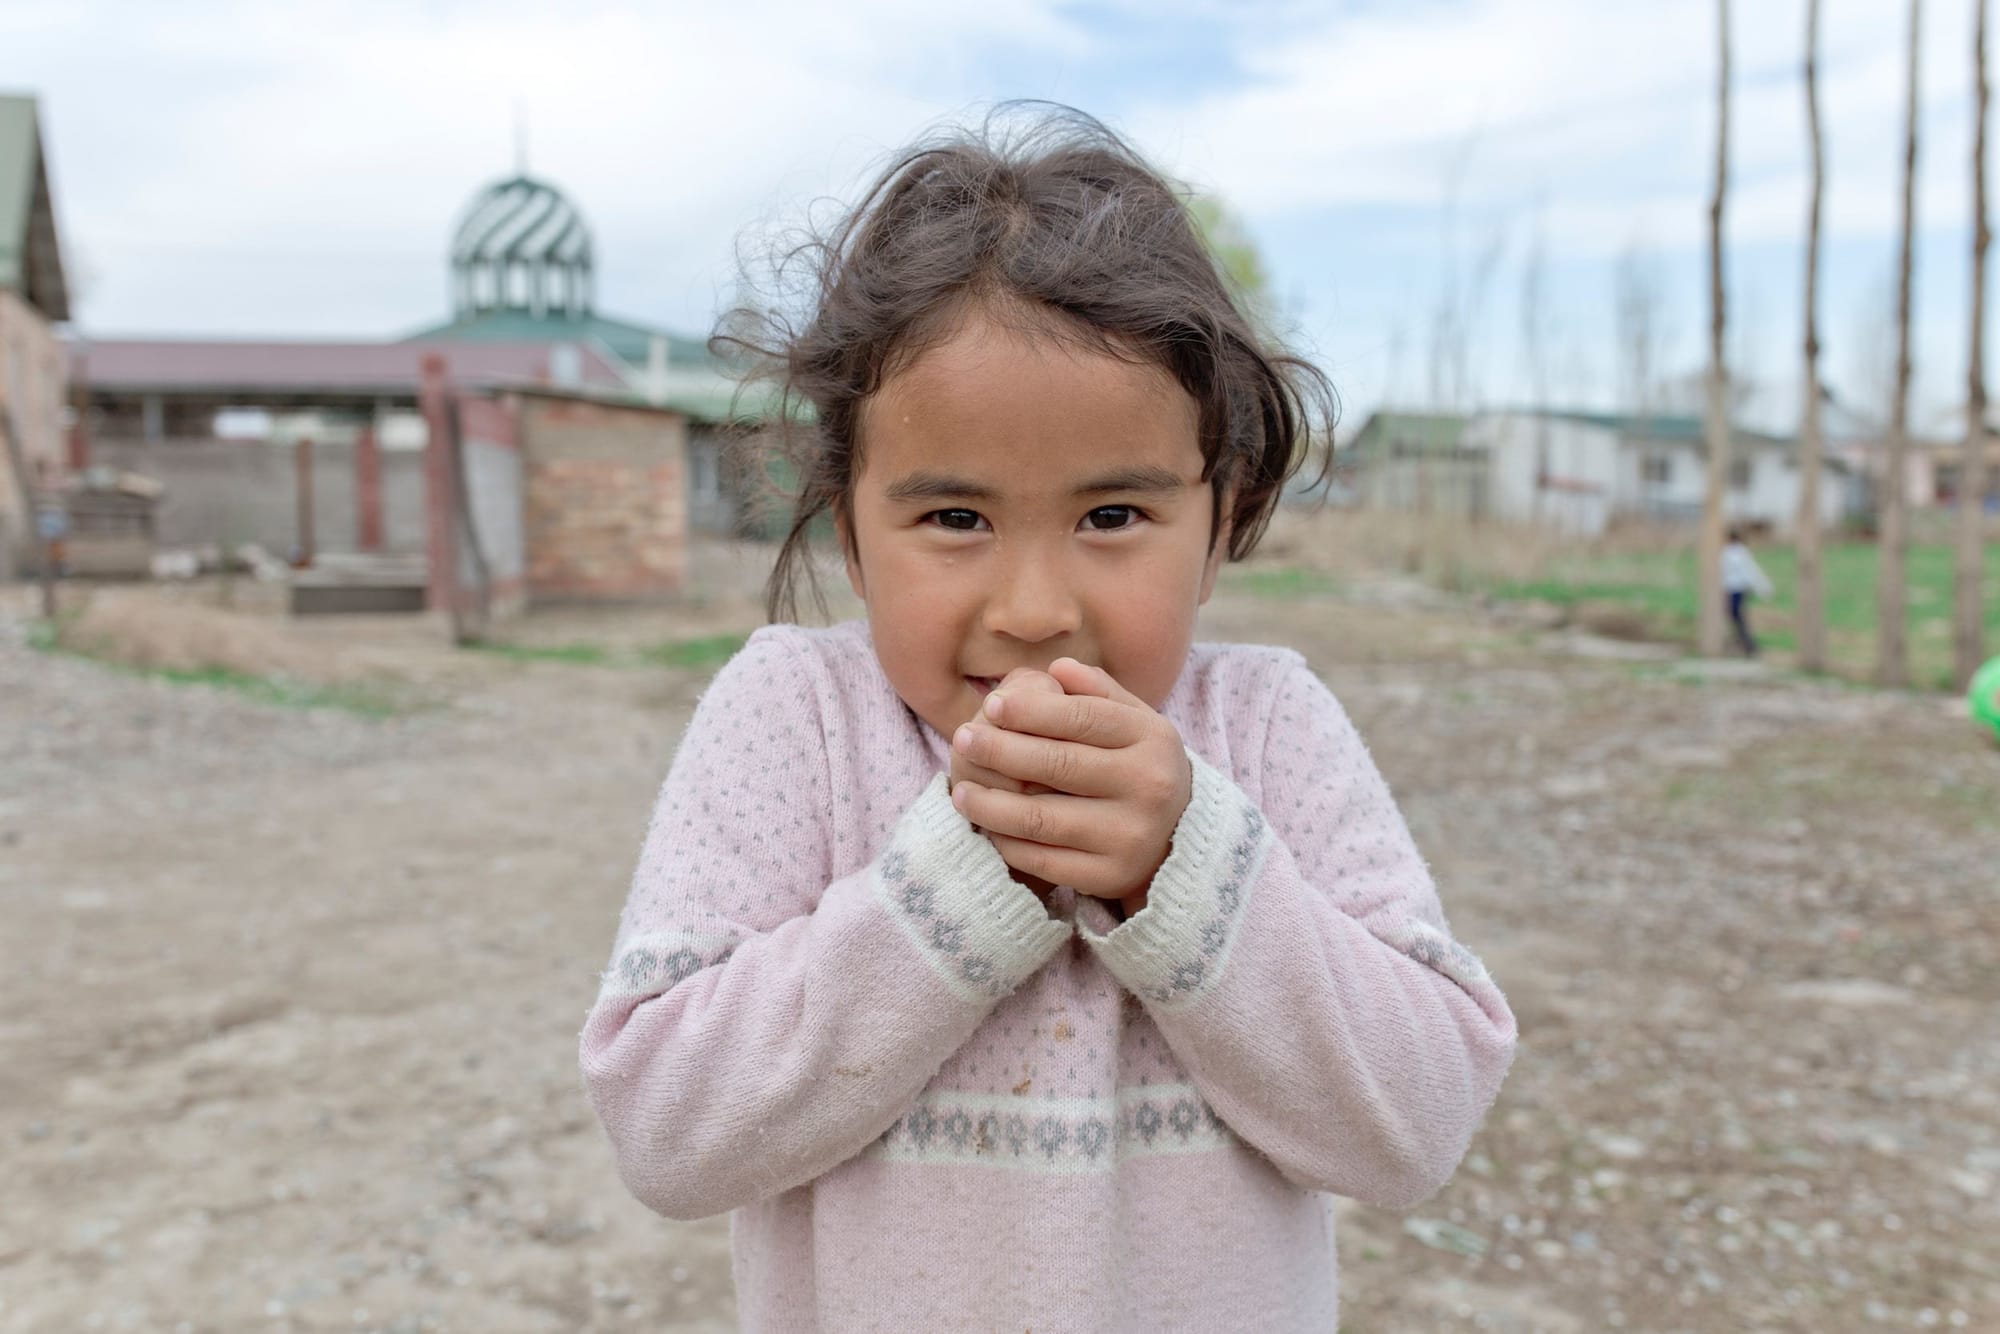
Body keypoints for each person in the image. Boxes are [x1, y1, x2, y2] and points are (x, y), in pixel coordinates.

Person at [579, 106, 1517, 1332]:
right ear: (850, 531)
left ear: (1219, 518)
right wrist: (959, 886)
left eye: (1113, 515)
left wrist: (1186, 868)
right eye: (955, 520)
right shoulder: (794, 714)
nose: (1033, 611)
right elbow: (666, 1131)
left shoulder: (1267, 724)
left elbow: (1418, 1125)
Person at [1722, 526, 1775, 657]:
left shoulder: (1738, 553)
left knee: (1737, 616)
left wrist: (1763, 588)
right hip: (1732, 589)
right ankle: (1741, 643)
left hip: (1737, 589)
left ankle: (1749, 646)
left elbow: (1750, 572)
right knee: (1734, 616)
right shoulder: (1728, 552)